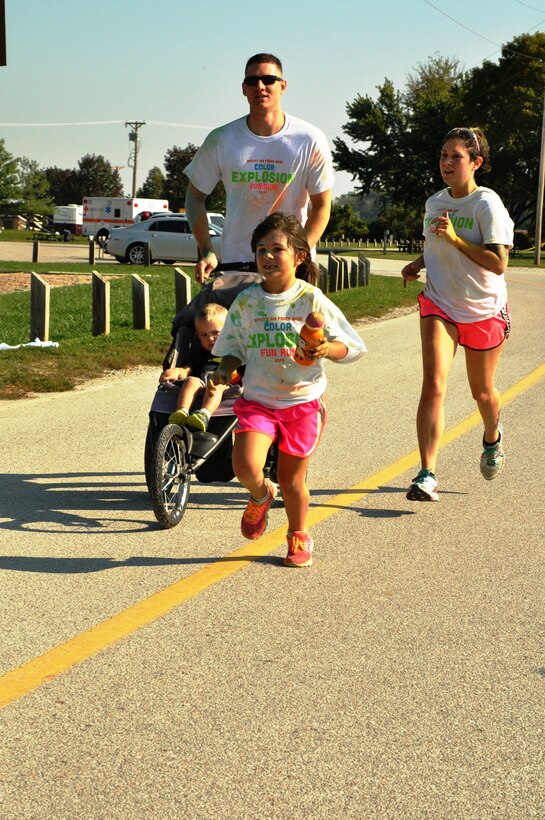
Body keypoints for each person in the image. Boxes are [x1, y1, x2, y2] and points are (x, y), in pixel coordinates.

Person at [209, 213, 366, 568]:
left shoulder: (312, 300)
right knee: (246, 465)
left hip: (303, 403)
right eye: (261, 249)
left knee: (292, 480)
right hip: (259, 400)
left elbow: (351, 346)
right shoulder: (248, 301)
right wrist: (223, 370)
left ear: (298, 256)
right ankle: (261, 496)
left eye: (277, 249)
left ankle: (298, 535)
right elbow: (234, 345)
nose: (267, 256)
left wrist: (327, 349)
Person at [401, 127, 514, 502]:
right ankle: (427, 473)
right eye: (443, 155)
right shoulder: (435, 202)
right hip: (440, 303)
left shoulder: (487, 204)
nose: (446, 162)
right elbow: (437, 249)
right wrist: (416, 264)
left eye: (456, 156)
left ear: (476, 163)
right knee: (433, 383)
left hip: (483, 308)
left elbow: (498, 263)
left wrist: (454, 238)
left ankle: (492, 437)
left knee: (482, 392)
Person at [181, 52, 334, 316]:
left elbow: (322, 206)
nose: (260, 86)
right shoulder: (222, 139)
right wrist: (206, 250)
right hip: (237, 264)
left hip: (291, 267)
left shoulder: (309, 139)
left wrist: (300, 253)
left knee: (292, 347)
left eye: (268, 79)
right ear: (243, 89)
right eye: (252, 81)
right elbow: (194, 197)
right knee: (238, 347)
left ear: (282, 86)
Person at [160, 303, 237, 432]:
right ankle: (181, 412)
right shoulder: (200, 353)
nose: (211, 338)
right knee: (190, 381)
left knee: (217, 385)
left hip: (224, 384)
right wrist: (175, 371)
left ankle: (204, 414)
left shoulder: (233, 353)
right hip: (201, 383)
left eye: (216, 333)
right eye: (204, 335)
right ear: (197, 336)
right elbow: (186, 370)